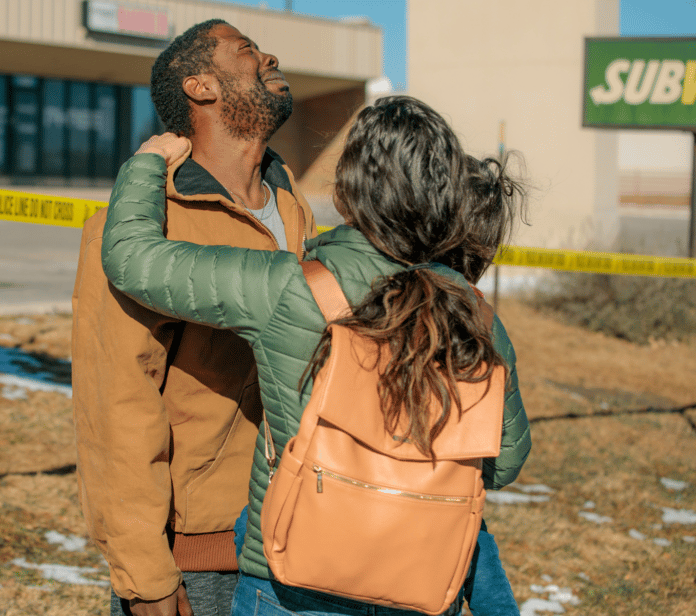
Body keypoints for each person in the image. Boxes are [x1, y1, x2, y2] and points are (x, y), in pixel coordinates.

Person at [100, 96, 531, 616]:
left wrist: (147, 162)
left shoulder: (294, 289)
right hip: (418, 581)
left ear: (351, 190)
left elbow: (133, 261)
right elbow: (504, 461)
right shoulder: (477, 317)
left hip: (290, 580)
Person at [72, 19, 316, 616]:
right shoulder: (148, 224)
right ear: (200, 87)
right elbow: (116, 408)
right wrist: (145, 575)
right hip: (204, 563)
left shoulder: (294, 207)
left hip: (304, 540)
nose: (269, 57)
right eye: (247, 51)